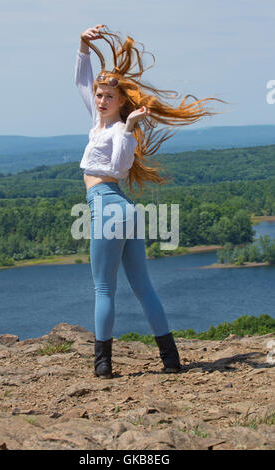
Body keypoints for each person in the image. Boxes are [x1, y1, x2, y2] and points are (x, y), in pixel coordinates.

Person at [75, 24, 225, 378]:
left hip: (108, 205)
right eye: (99, 95)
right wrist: (83, 45)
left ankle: (102, 365)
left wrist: (127, 130)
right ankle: (170, 359)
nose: (100, 99)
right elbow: (81, 82)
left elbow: (117, 168)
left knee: (103, 288)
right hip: (124, 209)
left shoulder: (116, 130)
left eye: (108, 96)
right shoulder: (97, 121)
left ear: (123, 101)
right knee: (142, 286)